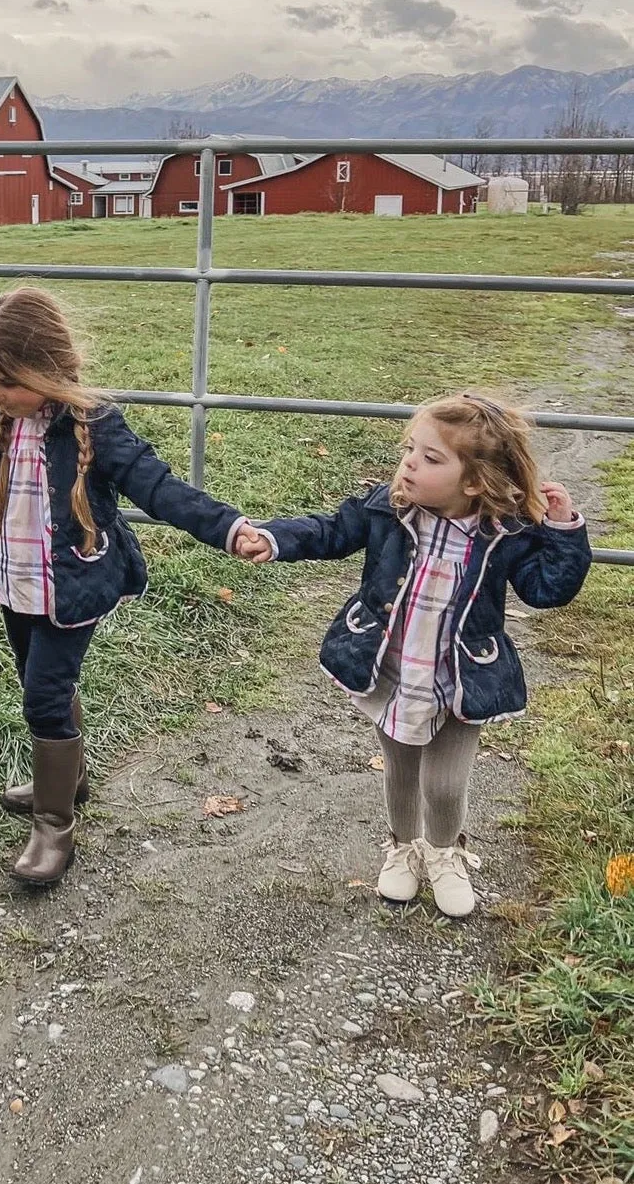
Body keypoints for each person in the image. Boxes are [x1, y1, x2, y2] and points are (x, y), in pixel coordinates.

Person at [0, 285, 262, 887]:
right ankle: (70, 776)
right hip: (15, 582)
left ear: (47, 371)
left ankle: (54, 823)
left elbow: (158, 487)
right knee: (40, 681)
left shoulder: (95, 427)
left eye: (5, 383)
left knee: (43, 695)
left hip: (72, 586)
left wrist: (228, 528)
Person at [237, 393, 591, 917]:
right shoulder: (387, 507)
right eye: (410, 449)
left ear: (472, 482)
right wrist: (274, 538)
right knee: (400, 769)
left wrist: (563, 530)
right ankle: (403, 848)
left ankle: (444, 852)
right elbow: (330, 530)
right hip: (394, 669)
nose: (409, 464)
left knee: (445, 783)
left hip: (462, 676)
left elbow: (546, 590)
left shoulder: (503, 531)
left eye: (430, 459)